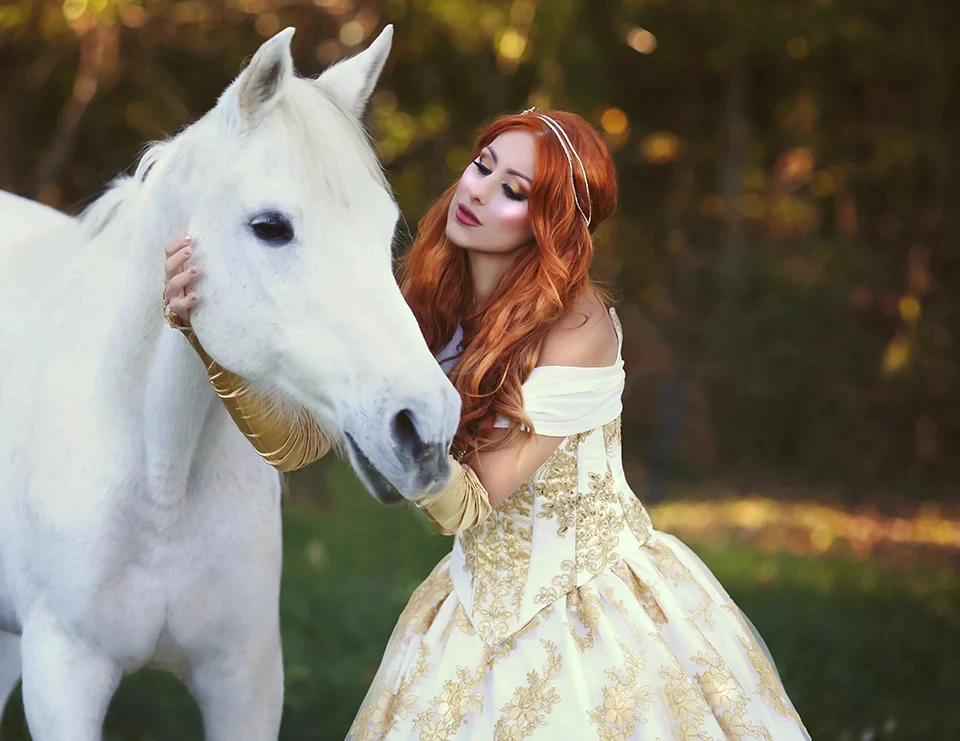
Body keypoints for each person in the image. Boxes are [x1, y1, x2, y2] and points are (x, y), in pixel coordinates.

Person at [163, 108, 809, 740]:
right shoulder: (432, 303)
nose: (478, 191)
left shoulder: (576, 330)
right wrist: (205, 333)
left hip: (591, 608)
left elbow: (465, 505)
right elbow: (297, 444)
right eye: (483, 166)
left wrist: (406, 450)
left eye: (514, 190)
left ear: (548, 223)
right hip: (471, 605)